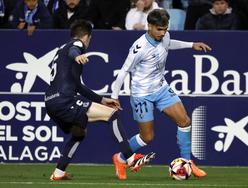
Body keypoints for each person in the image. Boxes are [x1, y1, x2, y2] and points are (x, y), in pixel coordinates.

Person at [45, 19, 155, 181]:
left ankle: (58, 173)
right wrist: (78, 56)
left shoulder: (60, 50)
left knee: (79, 133)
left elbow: (78, 86)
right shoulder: (77, 45)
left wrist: (101, 100)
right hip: (65, 100)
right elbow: (75, 50)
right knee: (112, 115)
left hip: (50, 102)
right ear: (87, 37)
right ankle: (130, 158)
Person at [111, 9, 211, 179]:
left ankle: (187, 162)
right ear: (149, 26)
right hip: (142, 94)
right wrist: (114, 97)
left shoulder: (164, 36)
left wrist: (191, 44)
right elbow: (123, 71)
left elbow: (169, 43)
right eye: (159, 29)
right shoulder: (139, 47)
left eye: (165, 29)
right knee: (147, 137)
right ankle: (120, 158)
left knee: (185, 121)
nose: (163, 33)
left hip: (161, 88)